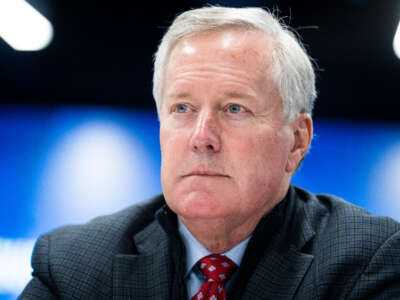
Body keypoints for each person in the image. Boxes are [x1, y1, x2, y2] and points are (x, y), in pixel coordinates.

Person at [20, 6, 400, 300]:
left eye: (234, 109)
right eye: (182, 109)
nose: (202, 138)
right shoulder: (74, 263)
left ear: (297, 140)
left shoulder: (368, 262)